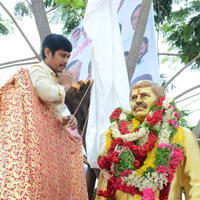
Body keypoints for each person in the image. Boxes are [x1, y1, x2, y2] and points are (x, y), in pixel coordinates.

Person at [96, 80, 200, 200]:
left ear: (160, 101)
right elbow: (104, 184)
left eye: (145, 96)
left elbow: (196, 185)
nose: (138, 101)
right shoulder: (118, 138)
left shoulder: (181, 135)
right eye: (134, 98)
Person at [29, 33, 77, 128]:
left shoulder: (56, 76)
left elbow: (50, 110)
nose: (66, 61)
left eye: (68, 57)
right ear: (47, 52)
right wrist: (65, 86)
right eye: (63, 55)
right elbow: (46, 93)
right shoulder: (37, 69)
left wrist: (64, 119)